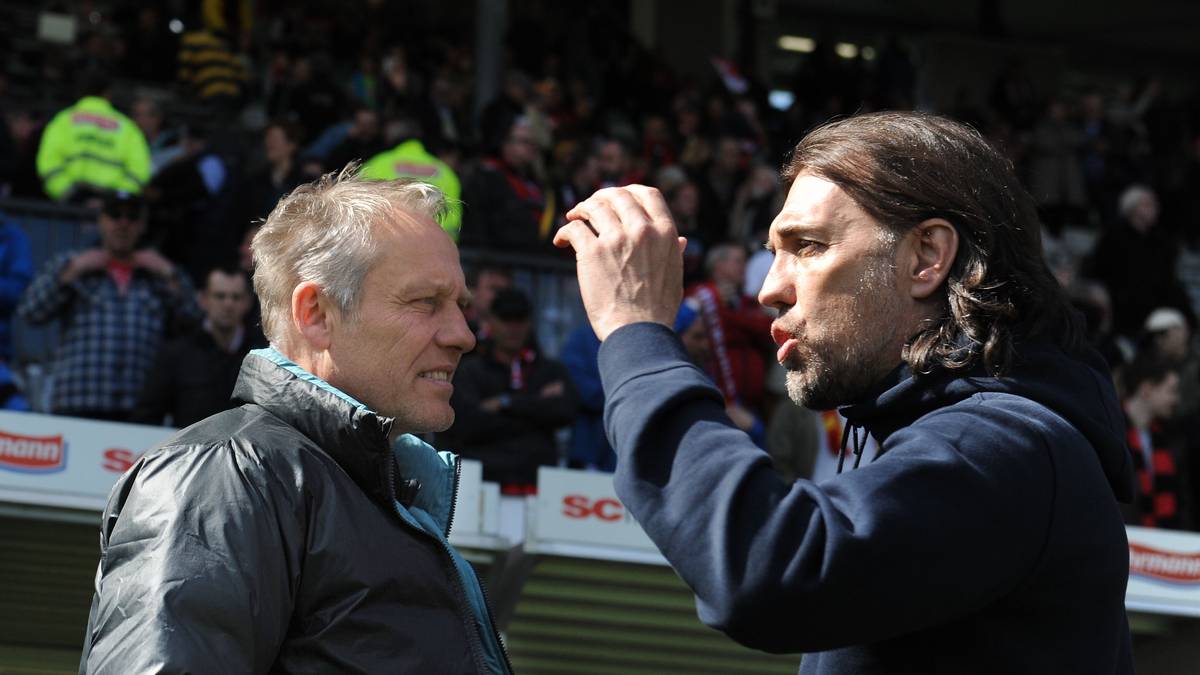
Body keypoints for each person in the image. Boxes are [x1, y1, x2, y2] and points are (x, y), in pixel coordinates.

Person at [555, 111, 1134, 673]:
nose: (769, 290)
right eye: (772, 254)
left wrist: (639, 338)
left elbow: (768, 569)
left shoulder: (1010, 444)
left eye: (807, 246)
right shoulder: (971, 439)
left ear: (927, 257)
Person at [78, 171, 513, 673]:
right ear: (316, 313)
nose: (464, 335)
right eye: (425, 303)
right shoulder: (227, 474)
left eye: (460, 306)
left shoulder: (360, 492)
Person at [17, 192, 200, 422]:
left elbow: (195, 319)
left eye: (132, 217)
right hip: (78, 401)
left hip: (139, 406)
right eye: (115, 215)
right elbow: (31, 312)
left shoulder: (158, 274)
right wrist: (72, 272)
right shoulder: (71, 263)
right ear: (101, 220)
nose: (123, 223)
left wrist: (169, 273)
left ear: (142, 225)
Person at [437, 288, 577, 493]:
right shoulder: (470, 370)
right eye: (506, 319)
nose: (513, 327)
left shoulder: (550, 370)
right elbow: (466, 424)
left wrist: (506, 403)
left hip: (540, 489)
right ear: (491, 322)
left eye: (519, 319)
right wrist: (537, 409)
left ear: (529, 322)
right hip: (479, 488)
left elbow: (567, 411)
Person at [131, 266, 254, 427]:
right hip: (189, 450)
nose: (228, 304)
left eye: (236, 297)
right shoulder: (176, 354)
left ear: (247, 302)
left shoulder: (262, 357)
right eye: (220, 296)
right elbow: (147, 417)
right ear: (203, 299)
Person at [36, 73, 151, 201]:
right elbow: (139, 170)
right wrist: (117, 198)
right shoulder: (128, 127)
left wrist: (68, 193)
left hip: (69, 209)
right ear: (108, 93)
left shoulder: (63, 120)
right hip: (112, 213)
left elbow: (48, 162)